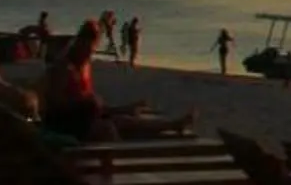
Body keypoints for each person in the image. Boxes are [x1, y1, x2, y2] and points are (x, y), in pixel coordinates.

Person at [35, 24, 191, 142]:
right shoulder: (64, 68)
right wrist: (87, 102)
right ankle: (118, 160)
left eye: (91, 50)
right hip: (64, 123)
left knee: (123, 121)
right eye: (87, 49)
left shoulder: (82, 66)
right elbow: (55, 105)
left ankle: (172, 125)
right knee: (108, 128)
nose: (88, 55)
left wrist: (120, 109)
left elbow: (91, 105)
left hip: (81, 117)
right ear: (79, 44)